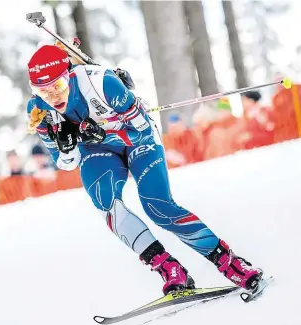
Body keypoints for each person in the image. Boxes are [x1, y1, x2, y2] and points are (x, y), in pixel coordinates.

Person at [25, 44, 263, 295]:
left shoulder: (103, 83)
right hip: (98, 152)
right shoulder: (40, 112)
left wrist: (102, 131)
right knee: (105, 202)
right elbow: (67, 164)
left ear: (69, 75)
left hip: (138, 142)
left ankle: (230, 262)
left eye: (58, 87)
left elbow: (141, 131)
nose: (53, 97)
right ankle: (170, 269)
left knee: (157, 205)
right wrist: (66, 147)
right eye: (43, 91)